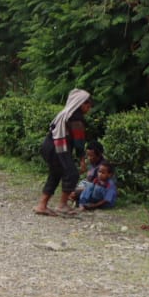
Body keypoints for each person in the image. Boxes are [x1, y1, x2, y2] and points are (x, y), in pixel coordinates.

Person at [36, 88, 92, 216]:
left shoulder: (64, 114)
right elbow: (79, 142)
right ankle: (62, 205)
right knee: (72, 173)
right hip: (57, 149)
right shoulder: (76, 118)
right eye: (88, 105)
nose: (89, 109)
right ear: (81, 103)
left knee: (56, 174)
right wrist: (82, 160)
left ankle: (42, 205)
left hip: (49, 146)